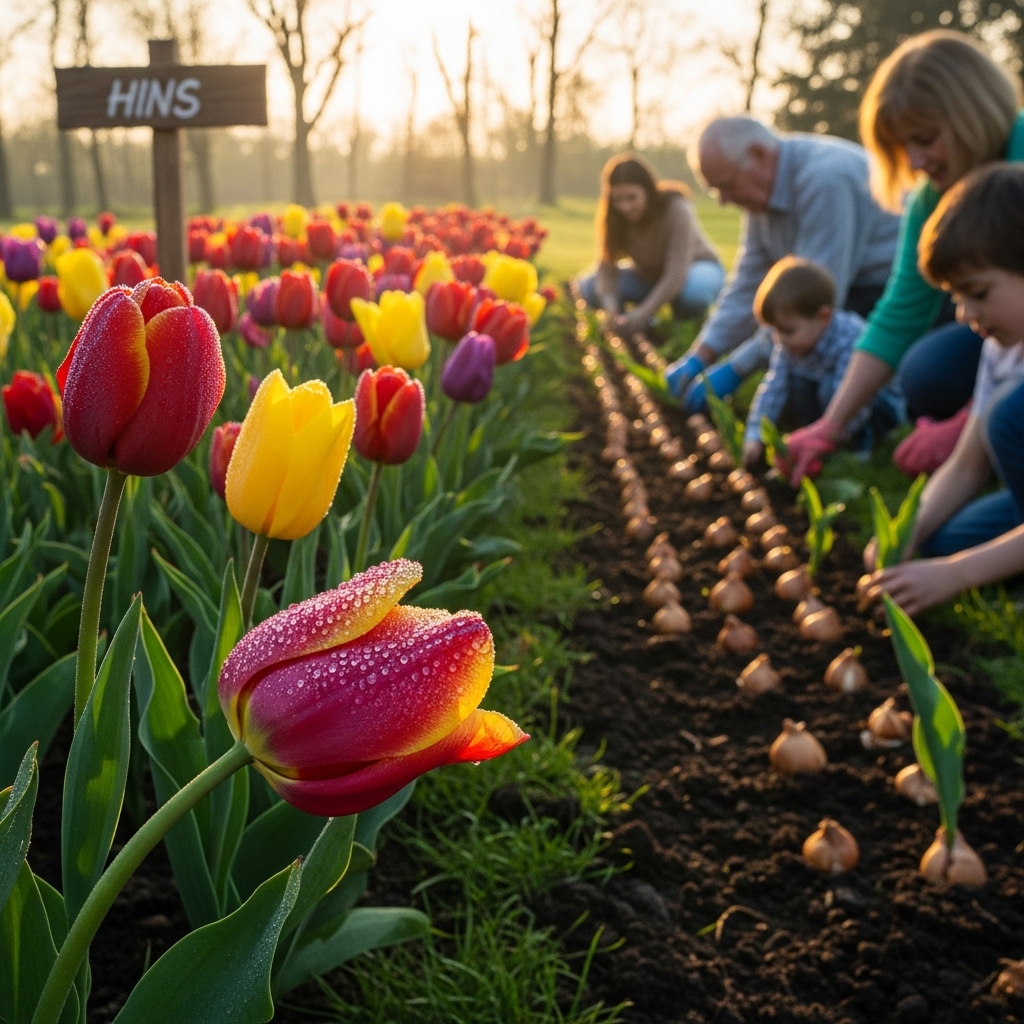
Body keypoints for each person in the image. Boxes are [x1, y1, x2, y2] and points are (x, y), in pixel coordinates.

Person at [784, 30, 1024, 487]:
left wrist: (971, 420)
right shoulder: (932, 197)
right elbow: (900, 311)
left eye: (926, 138)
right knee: (925, 371)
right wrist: (830, 426)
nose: (914, 160)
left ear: (972, 113)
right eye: (901, 146)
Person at [867, 165, 1024, 616]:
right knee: (935, 542)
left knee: (1010, 413)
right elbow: (967, 465)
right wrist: (905, 533)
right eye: (955, 296)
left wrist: (959, 574)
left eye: (977, 292)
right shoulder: (1001, 346)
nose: (963, 314)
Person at [665, 115, 900, 411]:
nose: (723, 200)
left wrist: (737, 368)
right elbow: (748, 284)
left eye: (725, 185)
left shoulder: (825, 180)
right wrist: (702, 354)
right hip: (846, 288)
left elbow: (812, 302)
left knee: (805, 384)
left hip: (884, 292)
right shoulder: (762, 198)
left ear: (759, 155)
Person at [741, 258, 903, 469]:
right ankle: (815, 433)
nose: (779, 339)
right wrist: (755, 434)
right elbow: (774, 388)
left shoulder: (849, 340)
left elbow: (855, 400)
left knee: (830, 387)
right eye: (774, 330)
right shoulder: (790, 344)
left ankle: (860, 449)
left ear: (823, 317)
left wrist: (829, 437)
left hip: (879, 405)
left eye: (788, 330)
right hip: (829, 395)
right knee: (797, 384)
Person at [576, 154, 725, 337]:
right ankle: (632, 326)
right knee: (589, 286)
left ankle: (686, 327)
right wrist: (612, 308)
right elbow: (605, 267)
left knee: (692, 296)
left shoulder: (677, 209)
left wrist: (643, 313)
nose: (625, 207)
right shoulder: (613, 217)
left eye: (632, 198)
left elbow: (676, 273)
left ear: (648, 190)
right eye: (618, 200)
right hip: (649, 275)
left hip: (697, 268)